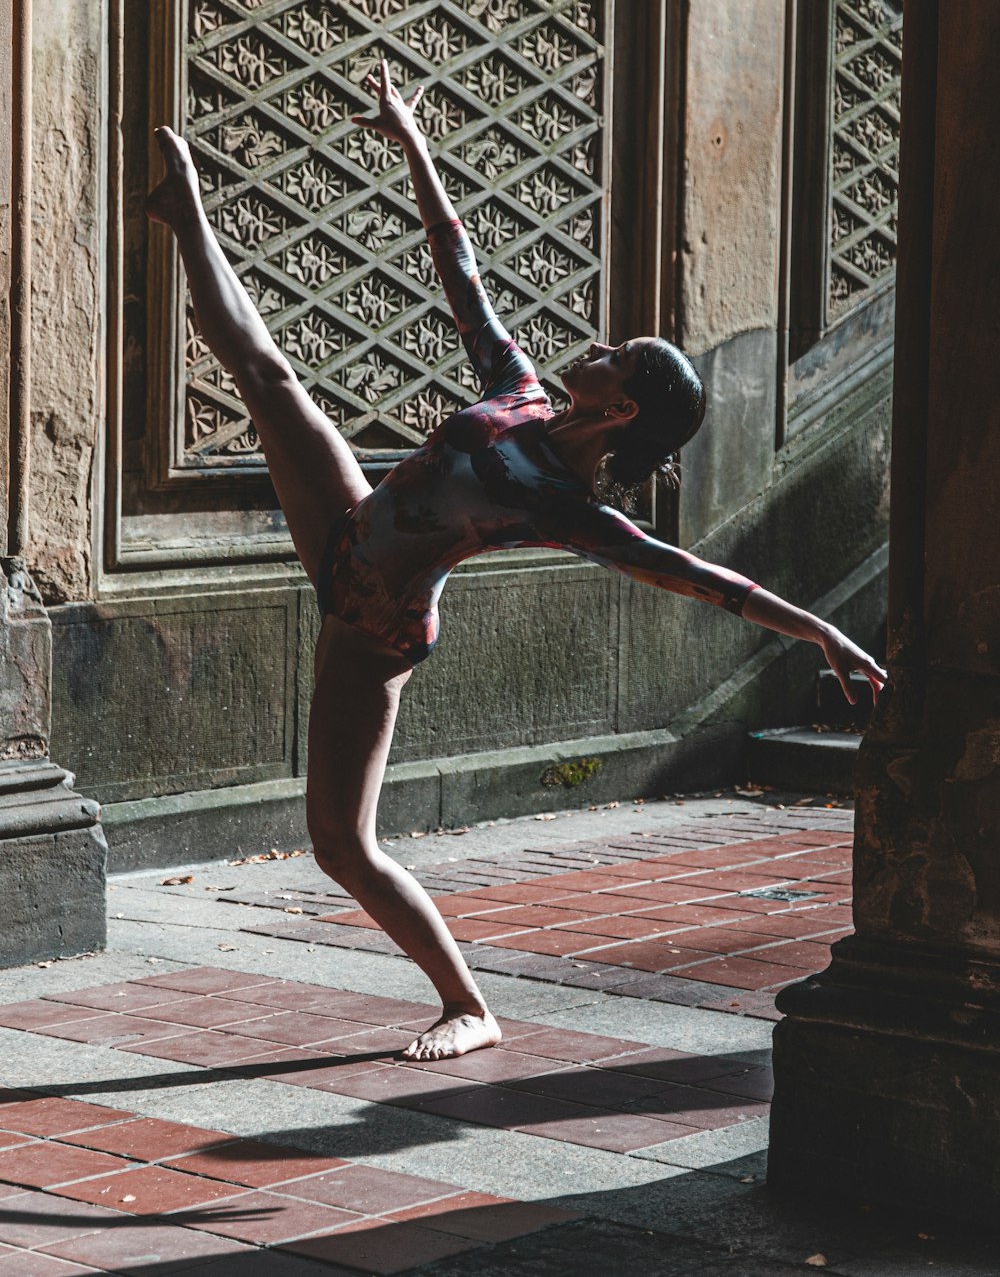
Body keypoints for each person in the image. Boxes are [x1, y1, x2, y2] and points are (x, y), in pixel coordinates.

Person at [146, 61, 887, 1061]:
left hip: (378, 624)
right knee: (268, 374)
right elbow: (460, 268)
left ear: (620, 408)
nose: (595, 346)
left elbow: (702, 579)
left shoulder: (564, 508)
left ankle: (467, 1004)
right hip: (348, 528)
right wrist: (412, 144)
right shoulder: (519, 387)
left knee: (341, 846)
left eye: (615, 355)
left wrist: (825, 630)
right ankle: (184, 209)